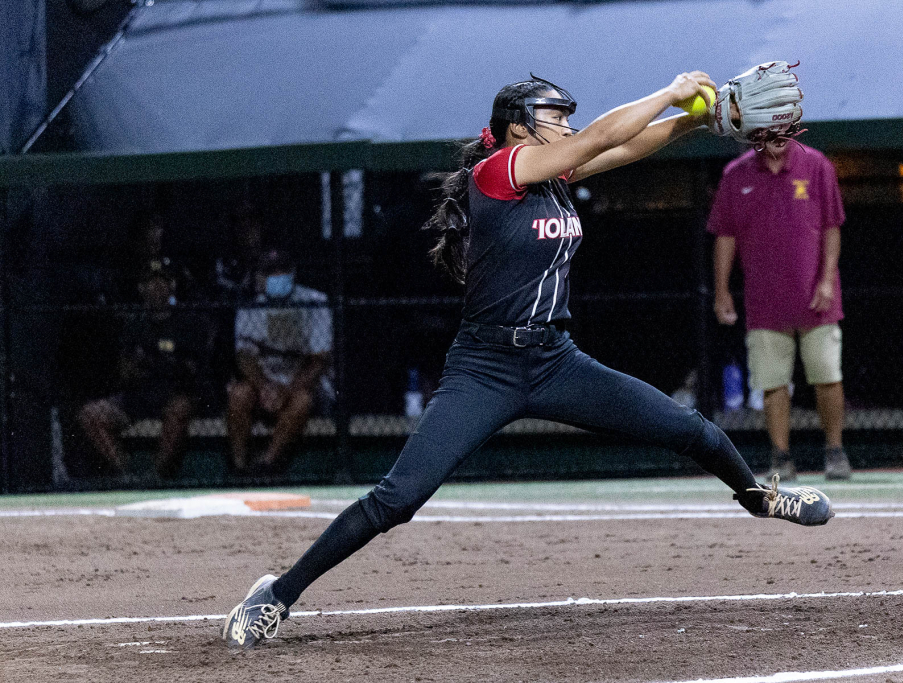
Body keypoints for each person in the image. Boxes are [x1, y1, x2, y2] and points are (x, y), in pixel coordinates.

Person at [222, 72, 834, 649]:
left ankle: (756, 496)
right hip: (485, 367)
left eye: (568, 116)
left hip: (554, 360)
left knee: (688, 428)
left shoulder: (552, 177)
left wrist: (697, 123)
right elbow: (600, 136)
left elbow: (624, 148)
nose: (567, 124)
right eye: (553, 115)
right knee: (395, 500)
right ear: (517, 125)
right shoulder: (500, 169)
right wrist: (672, 93)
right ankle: (275, 594)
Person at [708, 136, 851, 481]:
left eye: (785, 128)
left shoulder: (817, 165)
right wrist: (722, 290)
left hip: (817, 299)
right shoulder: (734, 175)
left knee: (827, 376)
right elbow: (724, 236)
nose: (777, 138)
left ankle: (835, 452)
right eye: (768, 130)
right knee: (772, 384)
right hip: (764, 301)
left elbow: (832, 226)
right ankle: (781, 458)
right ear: (755, 134)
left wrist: (827, 280)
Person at [78, 259, 206, 480]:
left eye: (162, 282)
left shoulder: (188, 321)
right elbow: (126, 372)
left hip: (174, 392)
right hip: (140, 394)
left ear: (172, 286)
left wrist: (156, 361)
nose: (156, 288)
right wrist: (155, 362)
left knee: (179, 408)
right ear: (141, 288)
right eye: (150, 283)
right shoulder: (133, 323)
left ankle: (155, 477)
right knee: (90, 414)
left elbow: (191, 369)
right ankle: (128, 476)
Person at [226, 249, 333, 473]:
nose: (277, 275)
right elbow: (244, 356)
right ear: (259, 276)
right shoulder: (250, 306)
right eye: (270, 271)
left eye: (282, 270)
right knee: (238, 393)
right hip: (263, 383)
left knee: (302, 400)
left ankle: (267, 465)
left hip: (300, 382)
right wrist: (266, 386)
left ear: (293, 273)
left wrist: (286, 390)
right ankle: (239, 468)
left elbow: (319, 359)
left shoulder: (315, 302)